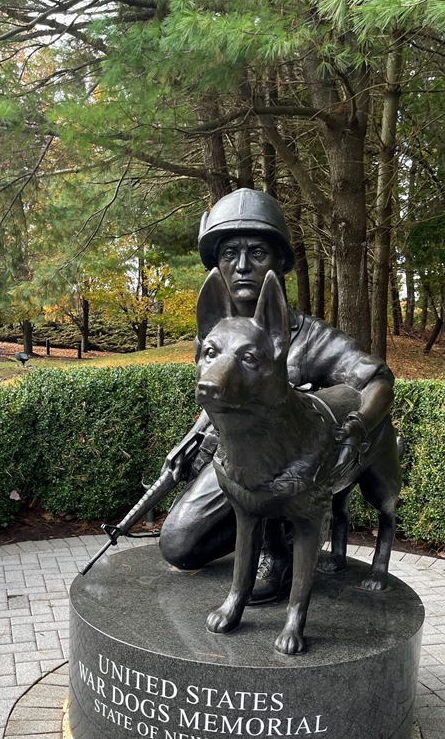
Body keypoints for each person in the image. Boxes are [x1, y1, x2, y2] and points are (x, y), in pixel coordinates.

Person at [158, 188, 395, 601]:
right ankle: (250, 525)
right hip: (235, 461)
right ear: (217, 262)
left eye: (257, 252)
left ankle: (279, 548)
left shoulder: (312, 337)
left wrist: (359, 428)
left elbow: (377, 379)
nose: (243, 266)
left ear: (280, 262)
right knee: (178, 546)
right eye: (230, 253)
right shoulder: (215, 332)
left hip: (291, 469)